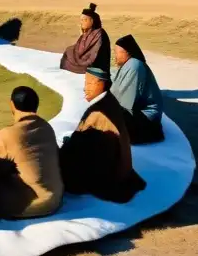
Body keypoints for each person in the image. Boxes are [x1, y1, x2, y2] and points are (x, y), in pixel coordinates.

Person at [0, 86, 64, 219]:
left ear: (12, 104)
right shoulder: (46, 127)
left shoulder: (7, 135)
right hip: (56, 197)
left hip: (35, 204)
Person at [59, 67, 146, 203]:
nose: (85, 88)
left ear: (101, 83)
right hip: (119, 166)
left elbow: (82, 145)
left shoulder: (99, 112)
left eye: (89, 83)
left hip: (109, 172)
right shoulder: (109, 101)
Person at [111, 34, 165, 144]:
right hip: (136, 112)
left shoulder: (134, 66)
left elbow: (126, 101)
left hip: (146, 120)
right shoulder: (128, 64)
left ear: (127, 52)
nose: (114, 55)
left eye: (117, 52)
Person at [60, 3, 110, 74]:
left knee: (75, 61)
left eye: (85, 20)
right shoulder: (87, 32)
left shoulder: (99, 33)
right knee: (68, 52)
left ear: (92, 21)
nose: (81, 22)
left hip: (95, 64)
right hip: (84, 58)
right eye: (81, 20)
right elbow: (79, 47)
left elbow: (94, 52)